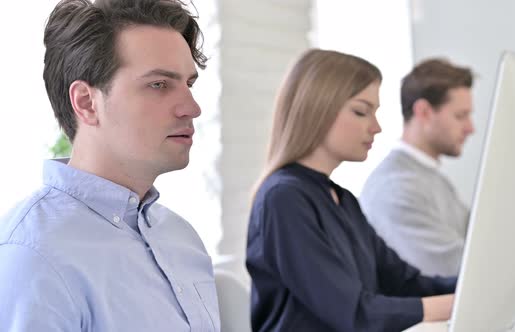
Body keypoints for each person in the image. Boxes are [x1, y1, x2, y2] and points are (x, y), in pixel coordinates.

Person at [0, 0, 219, 331]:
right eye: (159, 84)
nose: (192, 107)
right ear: (87, 103)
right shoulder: (33, 257)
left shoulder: (182, 238)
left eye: (188, 84)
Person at [246, 49, 456, 332]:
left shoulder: (344, 201)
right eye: (361, 111)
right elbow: (354, 314)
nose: (377, 127)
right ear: (317, 109)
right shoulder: (284, 199)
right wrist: (455, 303)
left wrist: (481, 285)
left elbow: (406, 284)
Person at [360, 59, 475, 277]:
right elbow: (454, 269)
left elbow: (478, 240)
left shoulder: (428, 176)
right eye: (460, 116)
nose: (471, 128)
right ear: (424, 111)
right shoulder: (397, 186)